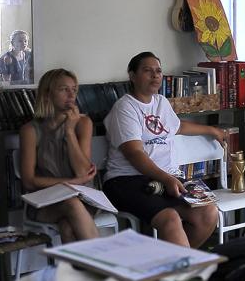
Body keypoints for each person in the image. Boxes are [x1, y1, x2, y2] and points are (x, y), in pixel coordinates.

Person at [103, 52, 223, 248]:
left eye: (158, 71)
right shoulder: (124, 107)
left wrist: (211, 130)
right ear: (132, 75)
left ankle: (174, 262)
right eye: (147, 71)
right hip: (128, 180)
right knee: (170, 218)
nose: (155, 75)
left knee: (208, 213)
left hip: (167, 178)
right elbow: (134, 153)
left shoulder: (161, 102)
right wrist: (167, 179)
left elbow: (177, 127)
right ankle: (179, 264)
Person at [18, 68, 99, 242]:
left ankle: (87, 261)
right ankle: (102, 257)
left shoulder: (83, 123)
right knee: (71, 204)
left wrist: (69, 132)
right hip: (45, 201)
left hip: (83, 198)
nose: (71, 95)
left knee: (67, 225)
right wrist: (73, 182)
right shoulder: (30, 130)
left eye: (74, 90)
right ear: (47, 94)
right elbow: (29, 181)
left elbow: (83, 172)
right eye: (64, 89)